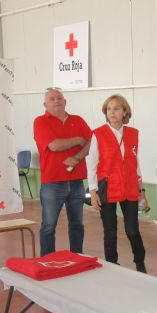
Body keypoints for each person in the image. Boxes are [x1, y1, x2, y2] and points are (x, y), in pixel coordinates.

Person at [86, 94, 148, 273]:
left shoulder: (133, 134)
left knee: (132, 230)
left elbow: (135, 164)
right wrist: (93, 192)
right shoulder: (98, 134)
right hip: (108, 188)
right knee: (110, 231)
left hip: (130, 187)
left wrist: (142, 191)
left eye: (116, 108)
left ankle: (140, 262)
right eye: (109, 109)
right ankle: (112, 265)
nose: (112, 112)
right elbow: (91, 165)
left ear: (125, 112)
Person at [33, 88, 92, 256]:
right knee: (49, 226)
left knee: (77, 225)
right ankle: (48, 261)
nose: (56, 101)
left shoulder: (78, 120)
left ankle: (77, 258)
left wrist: (77, 157)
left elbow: (92, 143)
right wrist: (77, 140)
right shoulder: (40, 122)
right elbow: (54, 145)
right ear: (45, 104)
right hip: (52, 182)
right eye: (52, 99)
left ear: (65, 102)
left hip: (77, 180)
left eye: (59, 98)